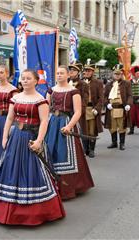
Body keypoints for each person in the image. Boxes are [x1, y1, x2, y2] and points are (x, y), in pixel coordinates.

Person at [0, 69, 65, 226]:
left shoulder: (40, 100)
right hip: (16, 138)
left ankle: (33, 211)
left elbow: (44, 122)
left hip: (31, 138)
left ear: (36, 81)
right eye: (23, 78)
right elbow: (9, 118)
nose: (25, 81)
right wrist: (5, 136)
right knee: (11, 168)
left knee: (31, 170)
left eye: (29, 78)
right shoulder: (15, 98)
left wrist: (39, 141)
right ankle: (7, 209)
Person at [45, 65, 94, 200]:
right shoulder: (51, 90)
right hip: (52, 122)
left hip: (66, 122)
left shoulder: (74, 91)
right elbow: (46, 108)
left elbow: (78, 111)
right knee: (49, 151)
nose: (59, 75)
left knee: (65, 154)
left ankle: (69, 187)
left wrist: (69, 126)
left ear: (68, 75)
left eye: (61, 73)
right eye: (57, 73)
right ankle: (50, 185)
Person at [104, 64, 133, 150]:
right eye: (115, 74)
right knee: (112, 127)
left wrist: (128, 104)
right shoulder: (109, 84)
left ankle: (122, 143)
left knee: (122, 127)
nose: (117, 75)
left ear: (122, 74)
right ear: (113, 74)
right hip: (111, 109)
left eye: (119, 74)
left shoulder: (126, 83)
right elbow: (104, 96)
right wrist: (107, 104)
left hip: (121, 108)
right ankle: (114, 142)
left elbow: (130, 96)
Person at [82, 60, 104, 158]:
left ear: (93, 72)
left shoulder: (98, 83)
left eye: (89, 71)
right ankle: (85, 148)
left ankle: (91, 149)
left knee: (92, 131)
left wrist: (97, 108)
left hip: (92, 109)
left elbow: (101, 98)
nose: (86, 72)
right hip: (82, 109)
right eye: (85, 71)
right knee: (83, 130)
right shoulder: (80, 82)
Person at [68, 62, 89, 140]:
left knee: (78, 134)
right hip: (65, 113)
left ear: (78, 72)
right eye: (70, 69)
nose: (71, 71)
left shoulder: (83, 85)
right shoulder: (65, 83)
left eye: (74, 70)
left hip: (77, 113)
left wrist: (78, 112)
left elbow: (84, 101)